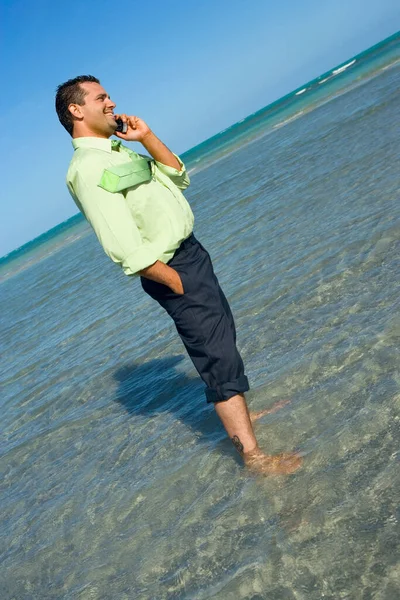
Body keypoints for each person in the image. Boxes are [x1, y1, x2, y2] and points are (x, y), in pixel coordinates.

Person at [55, 75, 302, 475]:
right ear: (76, 110)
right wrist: (173, 280)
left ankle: (242, 424)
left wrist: (148, 137)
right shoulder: (86, 168)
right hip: (174, 268)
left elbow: (178, 175)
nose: (112, 102)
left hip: (192, 254)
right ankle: (254, 459)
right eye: (102, 97)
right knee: (215, 357)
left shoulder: (120, 149)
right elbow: (122, 246)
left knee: (223, 342)